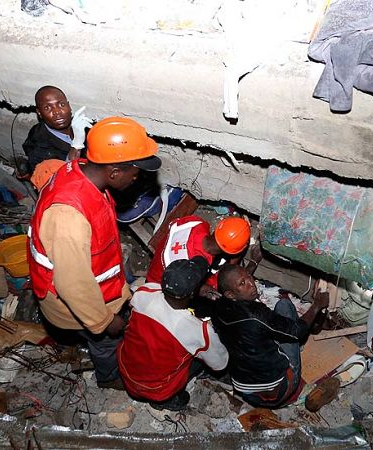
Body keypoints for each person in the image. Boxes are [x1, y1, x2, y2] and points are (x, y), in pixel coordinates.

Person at [27, 116, 161, 388]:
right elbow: (73, 285)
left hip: (97, 290)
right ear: (114, 172)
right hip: (78, 308)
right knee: (106, 346)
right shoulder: (68, 216)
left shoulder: (78, 171)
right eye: (135, 172)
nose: (137, 179)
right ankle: (109, 378)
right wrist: (105, 322)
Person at [212, 265, 335, 409]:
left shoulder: (217, 307)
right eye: (242, 283)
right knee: (285, 306)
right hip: (277, 390)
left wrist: (253, 262)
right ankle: (294, 384)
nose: (251, 284)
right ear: (230, 295)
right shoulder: (255, 315)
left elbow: (238, 283)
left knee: (261, 335)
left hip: (244, 389)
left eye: (249, 276)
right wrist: (316, 306)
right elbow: (297, 331)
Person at [118, 257, 229, 411]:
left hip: (126, 371)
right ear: (191, 294)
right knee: (202, 355)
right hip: (156, 389)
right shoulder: (198, 331)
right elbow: (220, 364)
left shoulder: (144, 292)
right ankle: (164, 400)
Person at [145, 215, 252, 299]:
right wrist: (233, 262)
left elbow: (173, 225)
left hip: (156, 266)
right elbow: (213, 284)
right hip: (160, 289)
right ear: (232, 252)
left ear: (219, 226)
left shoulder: (196, 222)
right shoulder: (198, 266)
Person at [22, 86, 91, 172]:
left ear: (69, 106)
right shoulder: (38, 148)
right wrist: (76, 145)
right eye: (47, 108)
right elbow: (60, 181)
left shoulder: (84, 126)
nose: (57, 112)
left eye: (61, 104)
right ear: (39, 113)